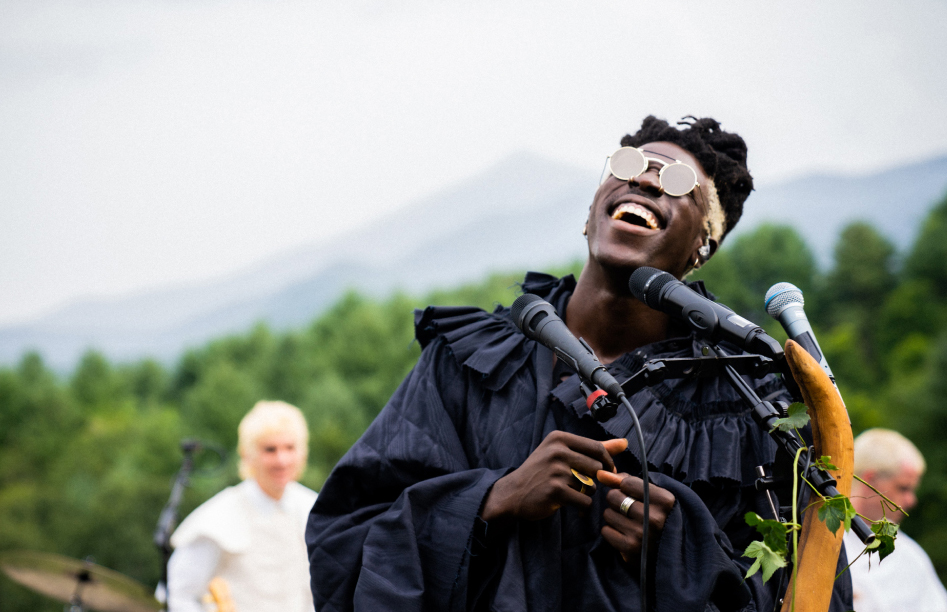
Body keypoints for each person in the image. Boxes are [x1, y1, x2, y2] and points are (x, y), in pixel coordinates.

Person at [307, 116, 852, 611]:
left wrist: (684, 558)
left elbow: (812, 593)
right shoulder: (468, 361)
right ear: (590, 213)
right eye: (628, 166)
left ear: (702, 248)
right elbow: (342, 545)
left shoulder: (750, 406)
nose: (644, 180)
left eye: (680, 183)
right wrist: (490, 501)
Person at [168, 400, 317, 612]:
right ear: (248, 454)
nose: (282, 460)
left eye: (290, 448)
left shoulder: (314, 508)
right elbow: (178, 595)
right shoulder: (219, 515)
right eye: (270, 450)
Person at [844, 428, 947, 612]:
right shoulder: (817, 540)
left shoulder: (911, 558)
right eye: (903, 488)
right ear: (871, 480)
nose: (911, 501)